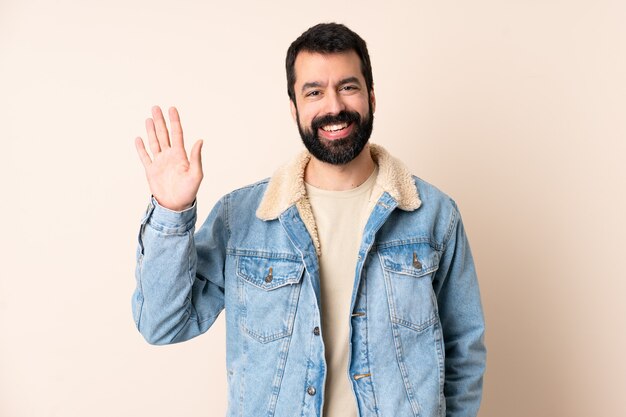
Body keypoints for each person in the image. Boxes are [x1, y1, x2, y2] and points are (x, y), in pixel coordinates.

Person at [132, 23, 486, 417]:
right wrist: (171, 211)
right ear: (294, 108)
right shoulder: (242, 220)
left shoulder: (434, 216)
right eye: (314, 92)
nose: (333, 107)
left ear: (371, 97)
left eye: (348, 87)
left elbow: (463, 351)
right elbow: (161, 324)